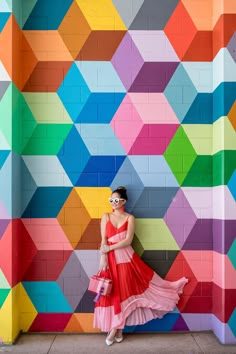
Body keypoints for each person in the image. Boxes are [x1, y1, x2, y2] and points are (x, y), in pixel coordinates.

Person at [93, 186, 188, 346]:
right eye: (111, 200)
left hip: (127, 260)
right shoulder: (106, 216)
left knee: (123, 295)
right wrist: (103, 256)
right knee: (113, 293)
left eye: (116, 200)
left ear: (123, 201)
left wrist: (109, 248)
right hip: (109, 259)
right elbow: (103, 239)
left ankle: (114, 329)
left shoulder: (130, 217)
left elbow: (128, 241)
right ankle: (119, 330)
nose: (113, 203)